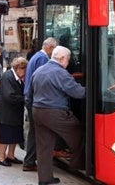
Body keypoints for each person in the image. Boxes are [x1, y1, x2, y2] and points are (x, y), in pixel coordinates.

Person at [27, 46, 86, 185]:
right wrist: (96, 90)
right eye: (68, 59)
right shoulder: (60, 72)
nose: (68, 62)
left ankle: (45, 179)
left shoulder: (39, 71)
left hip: (37, 110)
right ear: (61, 59)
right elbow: (78, 92)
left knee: (44, 147)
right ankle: (77, 165)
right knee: (79, 134)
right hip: (55, 112)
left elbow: (29, 95)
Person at [23, 37, 58, 172]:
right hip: (35, 100)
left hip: (30, 97)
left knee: (34, 132)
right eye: (54, 50)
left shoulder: (36, 56)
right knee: (37, 133)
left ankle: (30, 160)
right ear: (49, 47)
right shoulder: (43, 59)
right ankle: (30, 161)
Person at [0, 57, 28, 167]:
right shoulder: (7, 77)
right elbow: (9, 96)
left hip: (15, 113)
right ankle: (1, 157)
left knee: (15, 135)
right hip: (6, 113)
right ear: (18, 68)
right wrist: (25, 98)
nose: (25, 73)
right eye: (24, 70)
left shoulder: (18, 77)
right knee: (5, 136)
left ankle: (11, 155)